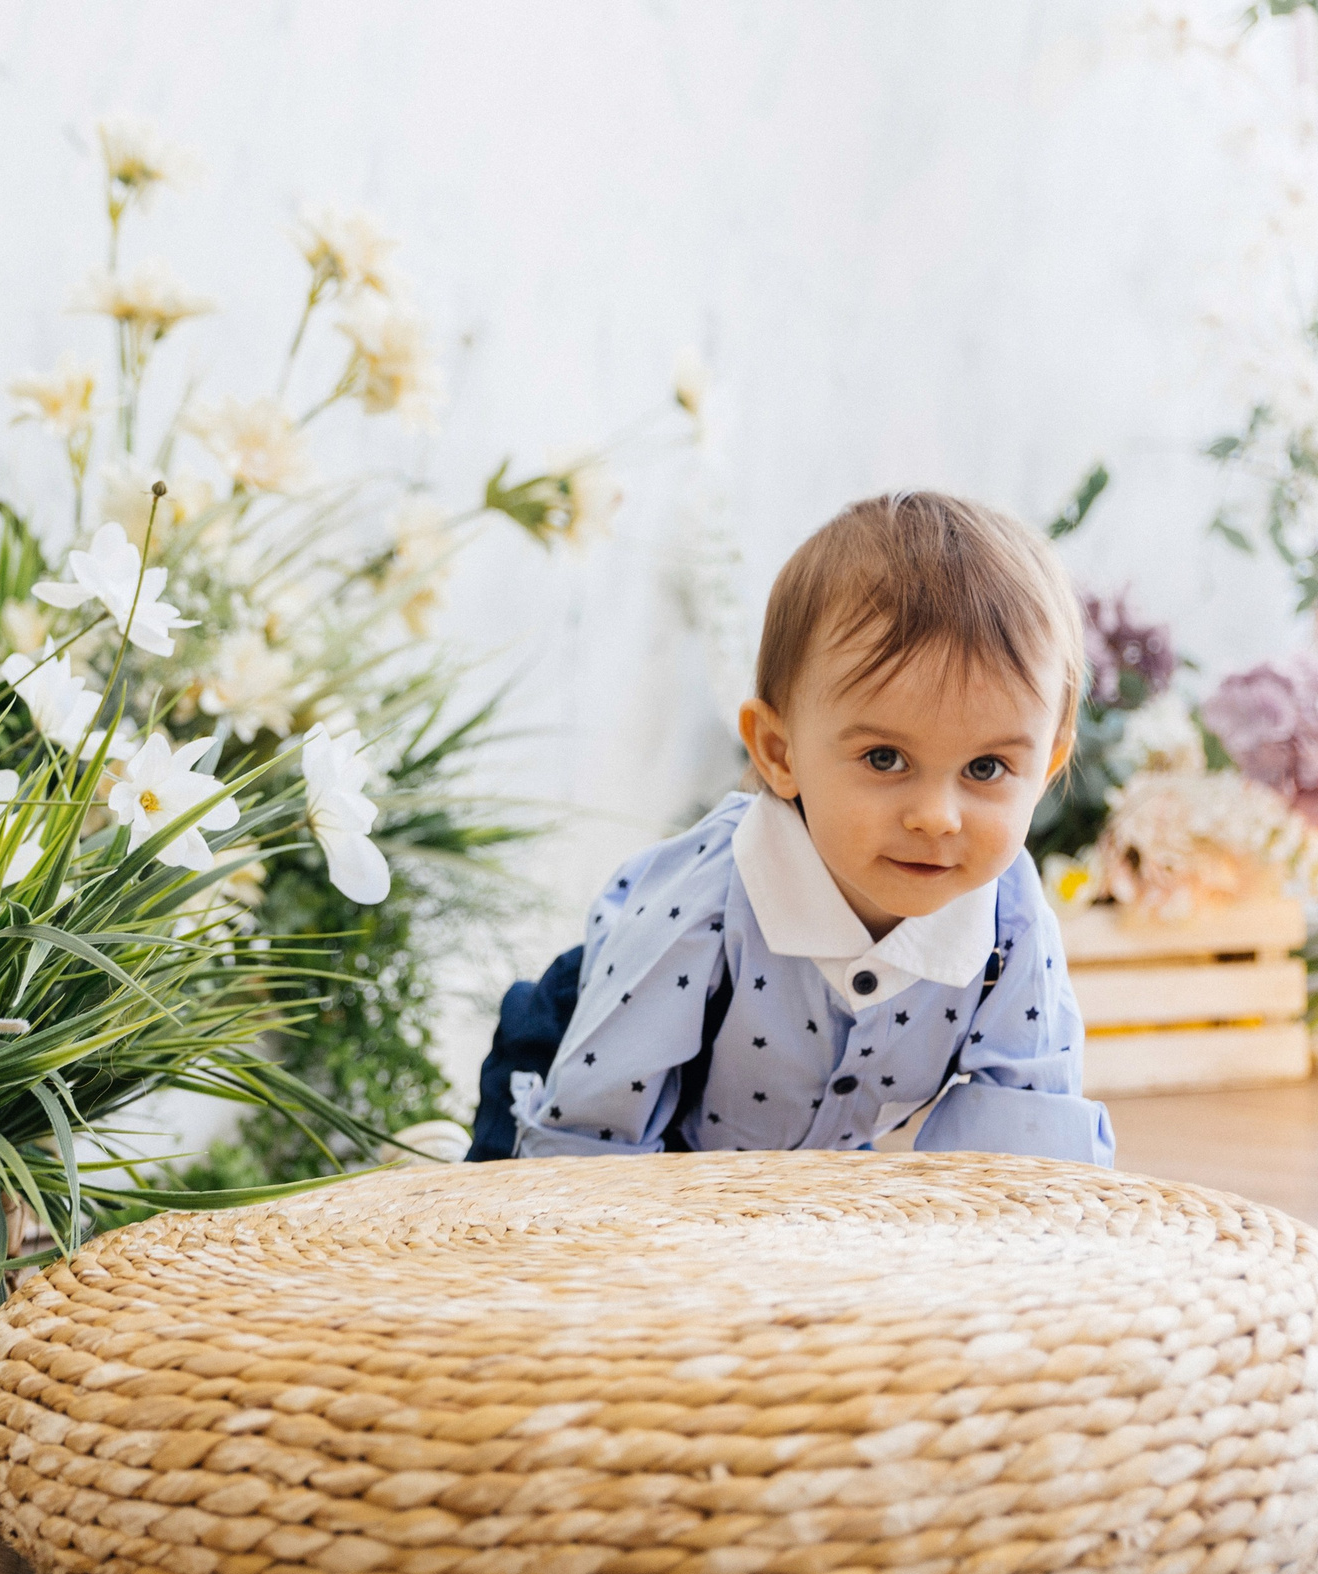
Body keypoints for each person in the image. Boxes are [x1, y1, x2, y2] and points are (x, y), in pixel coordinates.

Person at [472, 490, 1113, 1165]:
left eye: (986, 767)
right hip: (587, 1073)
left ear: (1046, 767)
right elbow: (591, 1126)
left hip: (795, 1155)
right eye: (884, 758)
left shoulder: (1010, 925)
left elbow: (1028, 1132)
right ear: (780, 753)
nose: (937, 816)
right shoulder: (717, 896)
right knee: (495, 1233)